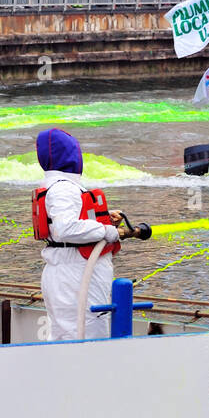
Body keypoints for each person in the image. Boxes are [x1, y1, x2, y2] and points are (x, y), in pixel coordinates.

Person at [33, 128, 143, 341]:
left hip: (72, 270)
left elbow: (64, 225)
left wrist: (104, 222)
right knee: (85, 333)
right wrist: (108, 231)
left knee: (71, 332)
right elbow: (66, 228)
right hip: (76, 273)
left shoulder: (57, 186)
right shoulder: (64, 188)